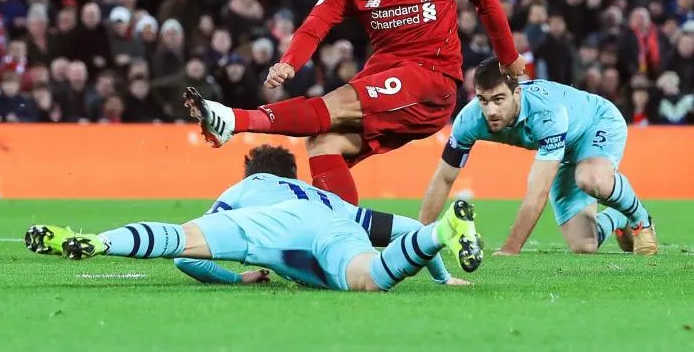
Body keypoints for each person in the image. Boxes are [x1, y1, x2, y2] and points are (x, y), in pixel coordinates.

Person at [184, 0, 525, 205]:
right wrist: (290, 61)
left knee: (338, 102)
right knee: (323, 142)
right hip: (387, 79)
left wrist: (508, 57)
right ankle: (346, 236)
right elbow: (316, 23)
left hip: (433, 80)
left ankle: (233, 119)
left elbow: (486, 0)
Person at [25, 145, 483, 291]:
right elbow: (407, 228)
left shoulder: (244, 189)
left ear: (253, 174)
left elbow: (187, 258)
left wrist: (236, 279)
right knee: (371, 276)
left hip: (271, 225)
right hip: (332, 226)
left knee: (180, 238)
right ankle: (447, 229)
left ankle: (101, 241)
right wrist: (442, 278)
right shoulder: (325, 197)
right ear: (292, 176)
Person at [418, 57, 658, 256]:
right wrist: (419, 240)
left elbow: (538, 191)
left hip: (596, 123)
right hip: (563, 149)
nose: (491, 111)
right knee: (584, 245)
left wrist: (510, 249)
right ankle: (618, 217)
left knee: (591, 178)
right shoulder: (469, 120)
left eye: (499, 99)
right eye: (483, 100)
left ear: (517, 93)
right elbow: (444, 178)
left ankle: (641, 221)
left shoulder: (546, 113)